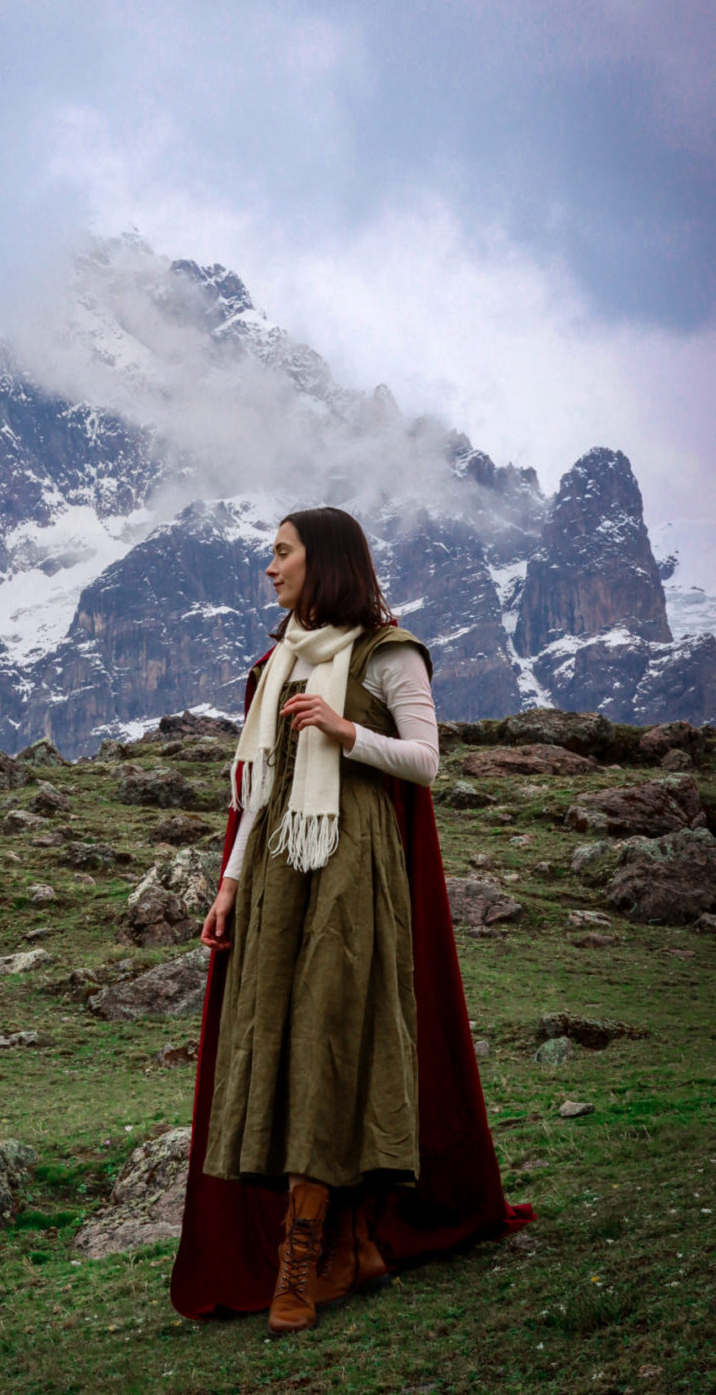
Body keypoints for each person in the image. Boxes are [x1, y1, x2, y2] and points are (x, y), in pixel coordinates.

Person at [170, 507, 533, 1332]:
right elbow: (256, 790)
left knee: (334, 1041)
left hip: (350, 872)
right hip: (274, 876)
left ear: (323, 559)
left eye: (283, 553)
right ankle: (350, 1243)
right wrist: (227, 884)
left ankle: (308, 1254)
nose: (271, 569)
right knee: (278, 1042)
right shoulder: (281, 662)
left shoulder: (388, 653)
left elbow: (427, 762)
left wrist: (345, 730)